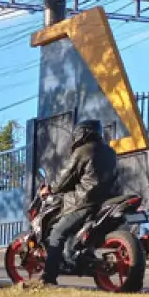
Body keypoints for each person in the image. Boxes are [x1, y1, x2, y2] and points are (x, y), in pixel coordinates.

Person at [39, 119, 118, 285]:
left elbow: (66, 177)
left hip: (84, 200)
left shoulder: (83, 151)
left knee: (57, 233)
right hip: (107, 200)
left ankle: (48, 278)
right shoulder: (110, 152)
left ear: (82, 133)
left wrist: (51, 189)